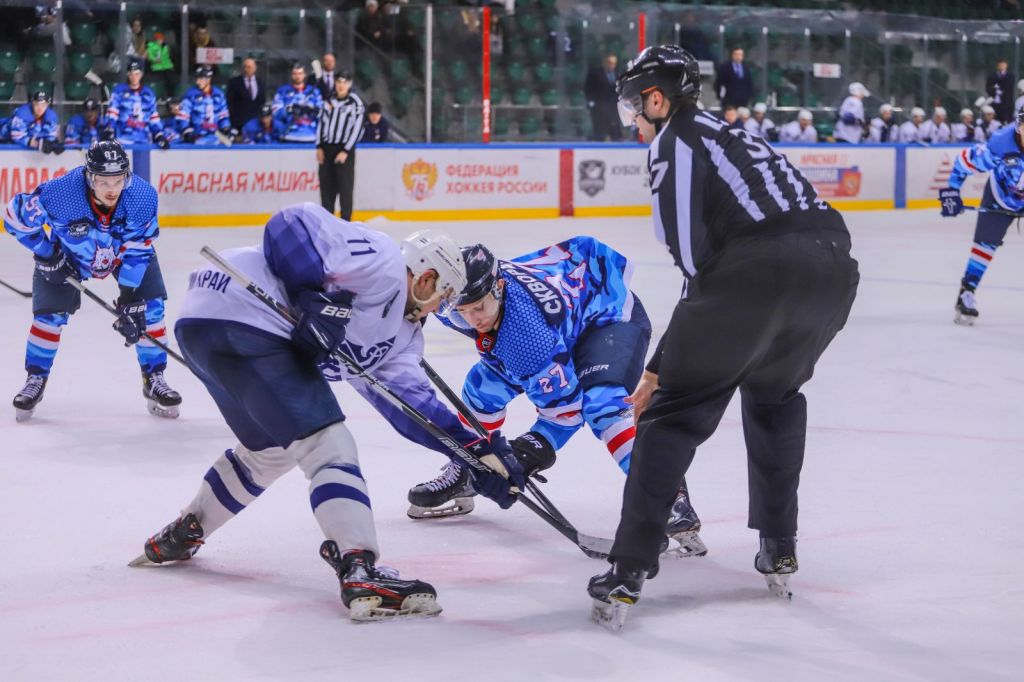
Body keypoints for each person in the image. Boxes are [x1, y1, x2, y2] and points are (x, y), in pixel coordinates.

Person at [134, 206, 524, 621]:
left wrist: (474, 453)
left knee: (270, 451)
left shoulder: (402, 338)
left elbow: (412, 409)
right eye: (442, 297)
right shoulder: (383, 259)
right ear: (427, 278)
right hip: (242, 312)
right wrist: (311, 299)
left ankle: (186, 530)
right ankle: (360, 566)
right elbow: (288, 226)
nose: (438, 309)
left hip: (205, 326)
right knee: (329, 444)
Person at [588, 45, 859, 629]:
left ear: (657, 99)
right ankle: (779, 544)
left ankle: (628, 568)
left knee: (672, 416)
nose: (633, 121)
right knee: (774, 397)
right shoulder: (735, 134)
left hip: (759, 271)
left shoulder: (673, 143)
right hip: (832, 269)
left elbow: (699, 268)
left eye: (635, 108)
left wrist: (661, 367)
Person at [413, 238, 707, 556]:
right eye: (463, 310)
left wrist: (523, 455)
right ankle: (466, 468)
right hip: (558, 318)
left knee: (602, 405)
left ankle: (669, 498)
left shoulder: (527, 339)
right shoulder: (456, 299)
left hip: (605, 319)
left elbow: (565, 414)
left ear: (498, 287)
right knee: (481, 389)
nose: (474, 320)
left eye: (479, 308)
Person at [2, 140, 182, 422]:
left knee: (150, 311)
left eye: (118, 179)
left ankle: (154, 377)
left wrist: (129, 295)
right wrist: (48, 254)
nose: (112, 188)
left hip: (123, 254)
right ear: (89, 176)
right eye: (103, 180)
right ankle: (35, 378)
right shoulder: (61, 193)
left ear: (127, 176)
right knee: (48, 317)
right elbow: (14, 217)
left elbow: (137, 248)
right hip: (70, 255)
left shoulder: (142, 196)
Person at [940, 105, 1024, 325]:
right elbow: (964, 162)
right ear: (1019, 125)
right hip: (1000, 196)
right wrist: (951, 191)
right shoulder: (1001, 144)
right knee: (985, 245)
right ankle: (967, 292)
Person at [317, 72, 364, 221]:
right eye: (338, 81)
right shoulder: (329, 100)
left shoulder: (355, 103)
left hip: (344, 150)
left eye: (344, 82)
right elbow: (321, 124)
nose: (341, 85)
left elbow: (358, 129)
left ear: (349, 84)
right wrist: (319, 146)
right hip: (326, 149)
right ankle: (327, 224)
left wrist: (346, 150)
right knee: (326, 190)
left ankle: (345, 225)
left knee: (345, 189)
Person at [104, 56, 169, 149]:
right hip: (123, 139)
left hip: (144, 139)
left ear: (141, 74)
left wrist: (159, 135)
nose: (134, 77)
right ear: (128, 75)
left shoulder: (148, 93)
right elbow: (113, 112)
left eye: (137, 74)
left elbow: (153, 117)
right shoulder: (119, 91)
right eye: (131, 74)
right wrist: (110, 129)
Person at [177, 65, 235, 145]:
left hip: (216, 135)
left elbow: (223, 116)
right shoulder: (190, 95)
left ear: (208, 79)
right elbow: (183, 117)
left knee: (229, 144)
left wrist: (226, 128)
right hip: (196, 136)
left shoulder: (218, 95)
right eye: (197, 78)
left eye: (201, 79)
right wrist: (187, 132)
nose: (198, 82)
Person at [273, 63, 323, 143]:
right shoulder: (282, 91)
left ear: (304, 75)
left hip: (311, 136)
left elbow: (322, 112)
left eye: (300, 74)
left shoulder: (314, 92)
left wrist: (312, 110)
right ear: (291, 75)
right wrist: (289, 109)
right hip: (289, 136)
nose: (297, 76)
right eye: (295, 74)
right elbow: (275, 111)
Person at [7, 90, 62, 154]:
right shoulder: (22, 113)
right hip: (4, 138)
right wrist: (37, 144)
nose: (40, 108)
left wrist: (53, 144)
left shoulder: (51, 116)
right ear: (32, 103)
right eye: (37, 104)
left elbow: (50, 136)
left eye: (43, 105)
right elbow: (16, 136)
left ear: (47, 105)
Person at [584, 54, 622, 142]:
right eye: (610, 63)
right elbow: (588, 89)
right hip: (599, 107)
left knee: (614, 129)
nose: (612, 65)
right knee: (599, 130)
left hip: (613, 108)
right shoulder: (595, 73)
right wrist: (592, 102)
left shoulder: (617, 74)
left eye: (614, 63)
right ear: (605, 63)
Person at [226, 57, 266, 131]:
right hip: (239, 123)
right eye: (244, 67)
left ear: (255, 68)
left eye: (249, 67)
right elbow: (230, 102)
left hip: (256, 123)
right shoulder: (234, 82)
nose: (246, 69)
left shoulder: (260, 82)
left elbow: (262, 101)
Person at [145, 31, 176, 100]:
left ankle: (170, 96)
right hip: (157, 67)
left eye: (161, 39)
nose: (160, 40)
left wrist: (170, 66)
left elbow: (167, 58)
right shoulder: (151, 46)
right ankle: (164, 97)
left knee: (172, 79)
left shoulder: (165, 46)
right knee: (165, 79)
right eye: (158, 39)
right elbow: (149, 56)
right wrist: (155, 60)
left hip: (167, 66)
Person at [986, 58, 1014, 124]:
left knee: (1006, 123)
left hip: (1006, 105)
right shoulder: (992, 76)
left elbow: (1008, 88)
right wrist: (995, 91)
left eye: (1003, 65)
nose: (1002, 67)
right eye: (1000, 65)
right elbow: (988, 88)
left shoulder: (1011, 76)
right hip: (995, 105)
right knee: (995, 123)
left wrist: (998, 89)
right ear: (997, 66)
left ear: (1006, 66)